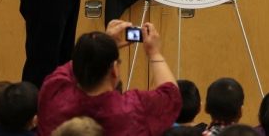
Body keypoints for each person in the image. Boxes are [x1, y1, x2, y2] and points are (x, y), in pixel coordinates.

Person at [36, 20, 182, 136]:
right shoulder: (133, 110)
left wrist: (98, 48)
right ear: (114, 69)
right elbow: (171, 96)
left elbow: (75, 65)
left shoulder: (53, 92)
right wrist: (154, 52)